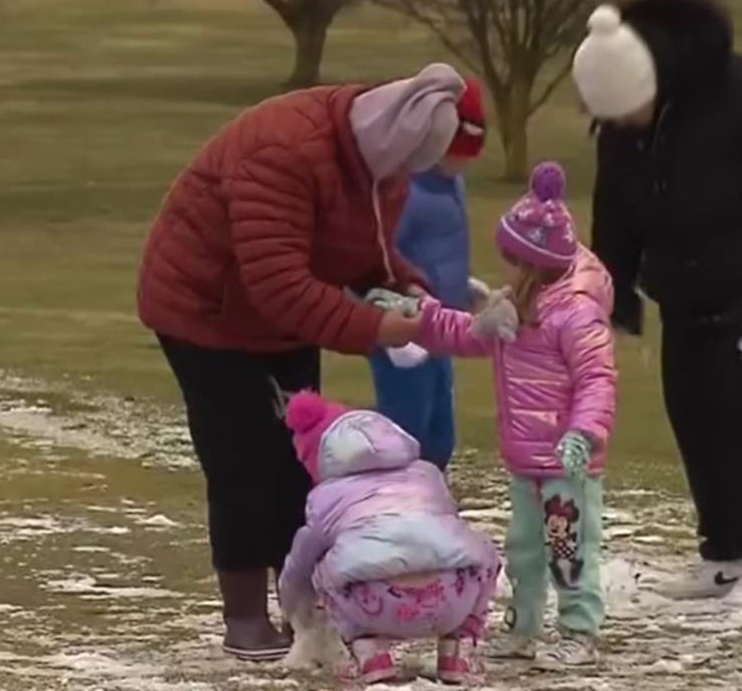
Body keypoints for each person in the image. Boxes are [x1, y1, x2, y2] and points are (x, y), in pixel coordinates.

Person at [136, 63, 470, 660]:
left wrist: (404, 287)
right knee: (242, 460)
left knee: (302, 460)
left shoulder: (381, 166)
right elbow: (278, 282)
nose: (401, 183)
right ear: (386, 146)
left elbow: (366, 247)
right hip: (204, 310)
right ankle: (244, 616)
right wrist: (379, 328)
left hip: (280, 316)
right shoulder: (282, 153)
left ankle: (303, 608)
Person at [571, 0, 742, 608]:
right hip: (685, 292)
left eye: (631, 110)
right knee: (692, 409)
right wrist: (611, 296)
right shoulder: (624, 127)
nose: (625, 125)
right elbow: (613, 209)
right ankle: (723, 553)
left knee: (741, 407)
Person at [377, 162, 618, 668]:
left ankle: (579, 630)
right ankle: (524, 627)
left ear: (531, 262)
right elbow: (464, 333)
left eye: (509, 257)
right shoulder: (515, 307)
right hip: (525, 458)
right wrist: (413, 314)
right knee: (525, 547)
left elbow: (598, 379)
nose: (500, 265)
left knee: (568, 547)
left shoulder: (573, 312)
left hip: (566, 464)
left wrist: (583, 434)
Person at [277, 391, 502, 685]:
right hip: (451, 599)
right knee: (477, 551)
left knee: (323, 565)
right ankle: (457, 649)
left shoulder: (324, 497)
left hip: (375, 606)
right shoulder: (428, 474)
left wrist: (291, 603)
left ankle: (368, 651)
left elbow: (300, 562)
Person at [367, 77, 490, 472]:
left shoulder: (452, 184)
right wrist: (394, 316)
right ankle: (391, 500)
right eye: (457, 153)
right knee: (406, 428)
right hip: (403, 335)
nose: (463, 163)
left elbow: (444, 246)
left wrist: (461, 287)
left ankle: (430, 498)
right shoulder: (403, 191)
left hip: (441, 330)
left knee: (440, 432)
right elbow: (381, 259)